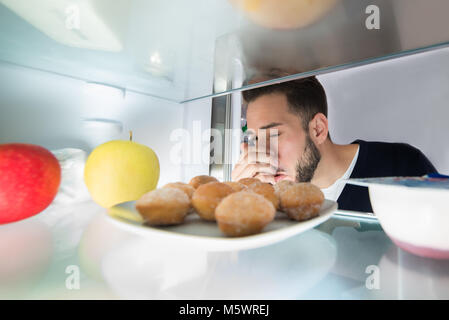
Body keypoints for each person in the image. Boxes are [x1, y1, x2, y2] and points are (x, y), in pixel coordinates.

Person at [231, 75, 437, 213]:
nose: (262, 156)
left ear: (318, 129)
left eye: (273, 135)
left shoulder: (403, 166)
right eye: (255, 139)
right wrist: (242, 208)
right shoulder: (271, 199)